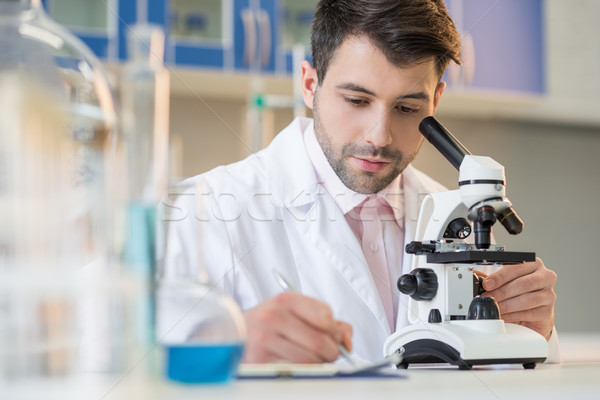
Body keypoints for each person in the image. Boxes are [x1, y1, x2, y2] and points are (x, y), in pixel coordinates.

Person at [164, 0, 558, 364]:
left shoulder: (455, 216)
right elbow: (113, 353)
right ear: (308, 84)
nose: (379, 137)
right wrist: (226, 344)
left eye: (407, 108)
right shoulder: (204, 209)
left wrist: (529, 332)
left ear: (436, 101)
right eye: (356, 100)